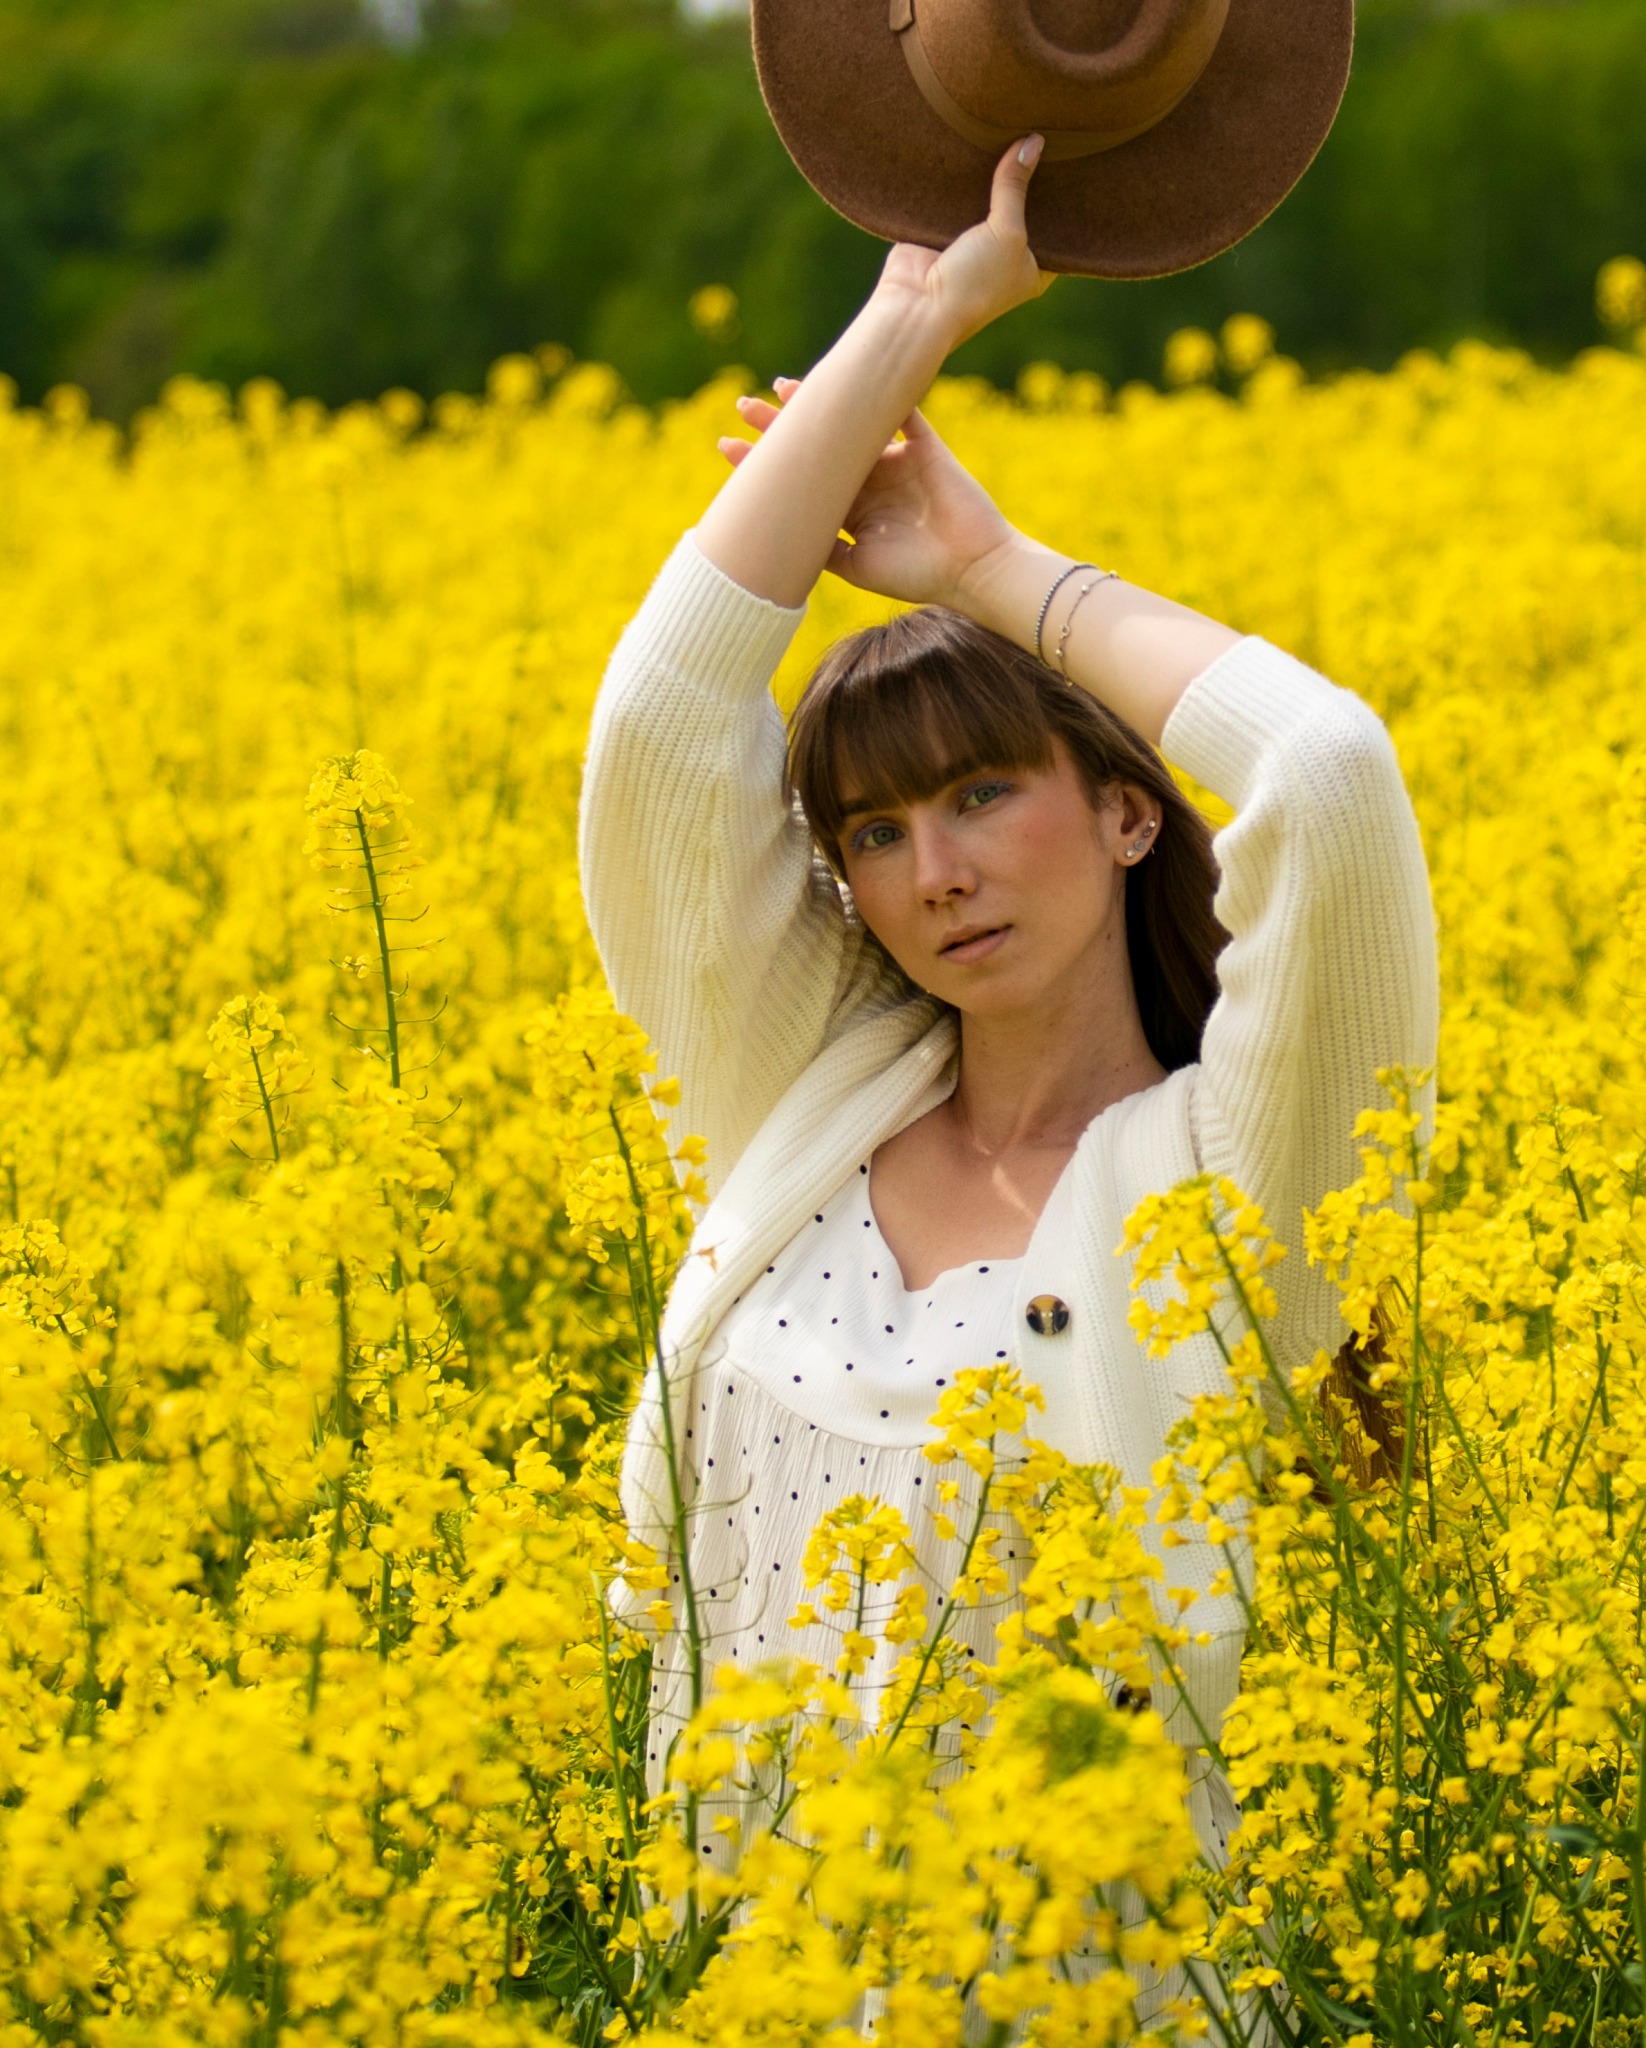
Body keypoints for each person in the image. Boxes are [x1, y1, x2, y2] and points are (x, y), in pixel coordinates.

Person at [580, 139, 1438, 1862]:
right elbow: (663, 726)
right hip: (751, 1980)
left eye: (983, 796)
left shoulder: (1233, 1187)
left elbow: (1328, 775)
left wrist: (985, 565)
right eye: (876, 834)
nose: (935, 873)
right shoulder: (810, 1106)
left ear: (1130, 815)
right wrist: (911, 316)